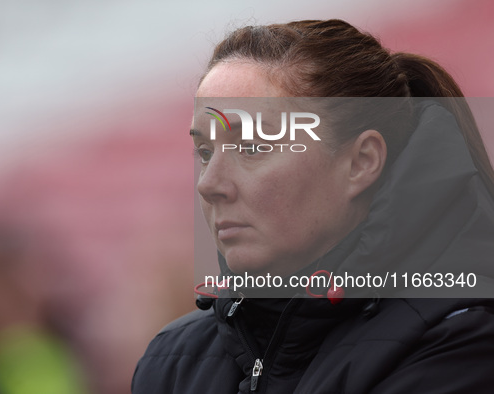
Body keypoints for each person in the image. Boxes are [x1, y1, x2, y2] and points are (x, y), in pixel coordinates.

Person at [132, 19, 494, 393]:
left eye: (252, 147)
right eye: (205, 152)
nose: (208, 185)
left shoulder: (459, 338)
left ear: (361, 162)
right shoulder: (172, 361)